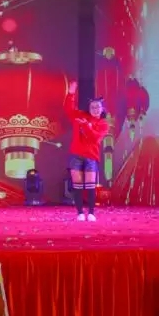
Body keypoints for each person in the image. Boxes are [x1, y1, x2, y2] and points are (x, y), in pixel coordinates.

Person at [65, 81, 110, 222]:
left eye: (98, 107)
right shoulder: (80, 116)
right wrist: (71, 93)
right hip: (76, 154)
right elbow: (68, 109)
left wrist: (87, 126)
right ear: (88, 108)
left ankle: (91, 212)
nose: (95, 109)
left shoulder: (103, 124)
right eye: (93, 107)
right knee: (77, 185)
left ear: (102, 109)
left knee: (90, 185)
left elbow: (95, 139)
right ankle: (79, 212)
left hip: (91, 156)